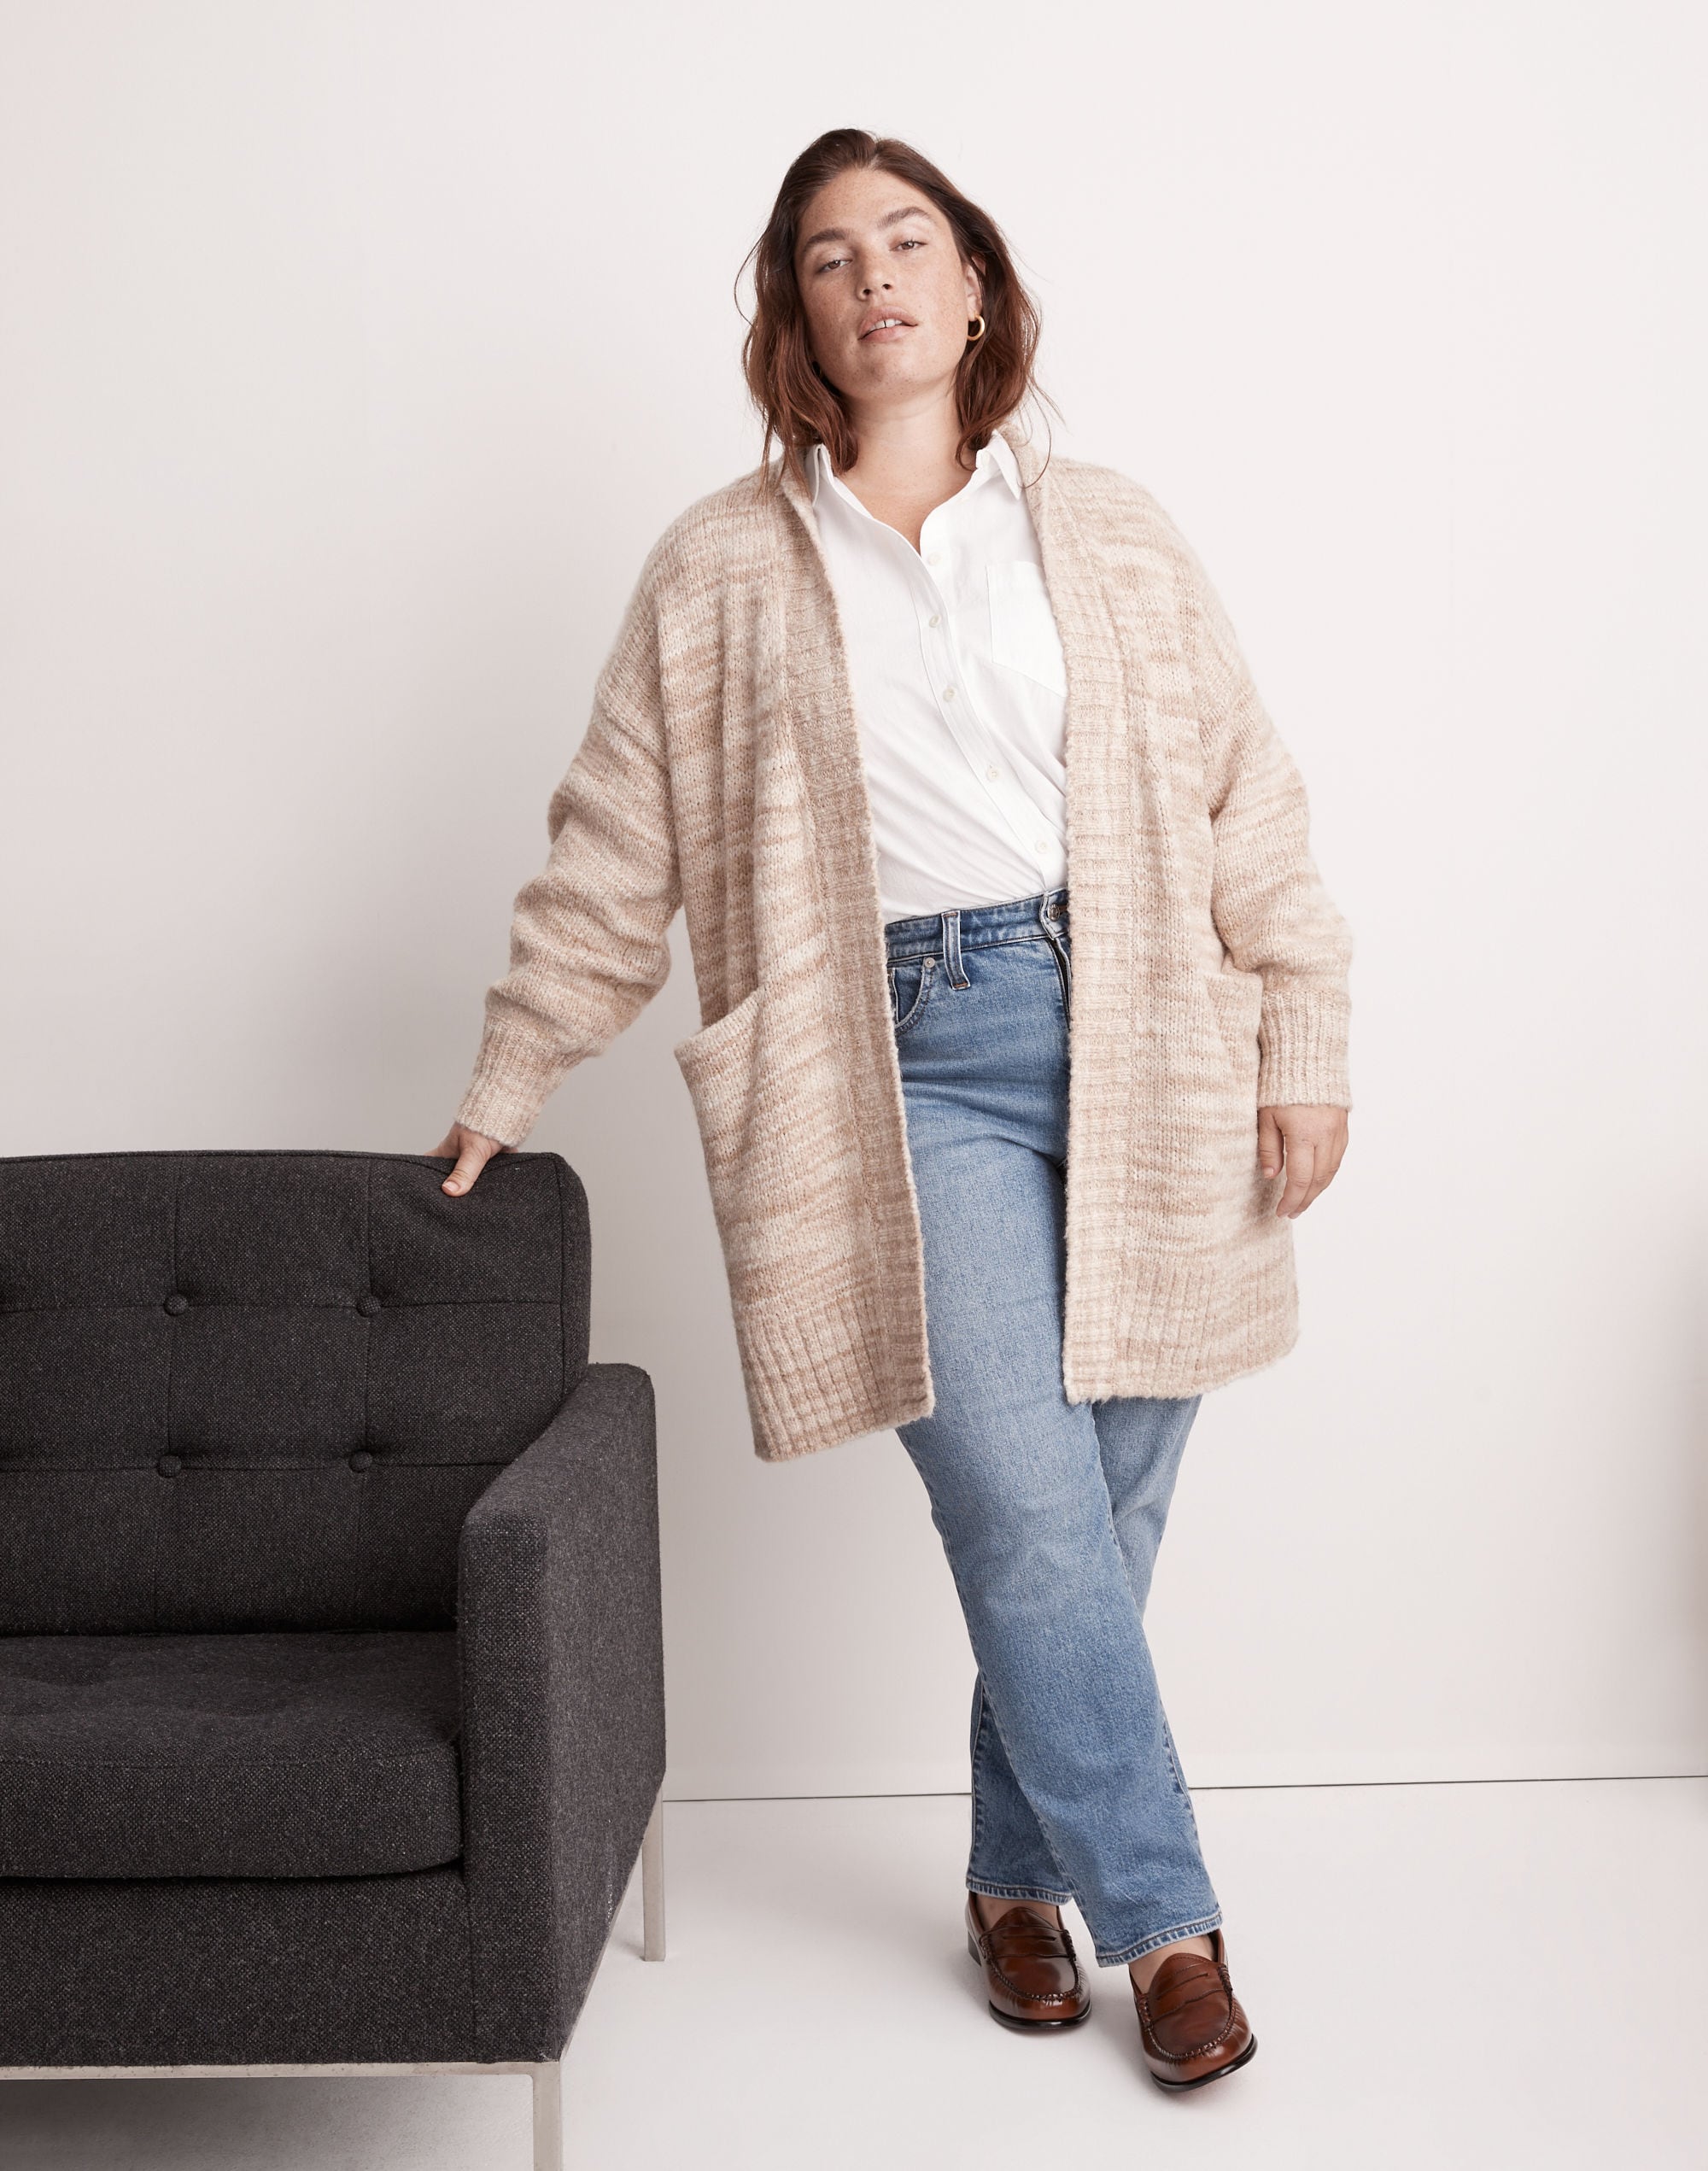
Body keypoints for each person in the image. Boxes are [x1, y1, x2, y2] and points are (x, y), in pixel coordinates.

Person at [430, 128, 1353, 2093]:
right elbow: (617, 843)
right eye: (831, 257)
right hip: (898, 1056)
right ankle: (1168, 1925)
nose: (876, 280)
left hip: (1148, 1037)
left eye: (908, 240)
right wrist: (513, 1068)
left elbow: (1246, 793)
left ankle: (1017, 1880)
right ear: (798, 313)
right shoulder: (718, 567)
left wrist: (1304, 1038)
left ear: (976, 282)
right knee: (1023, 1501)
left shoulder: (1108, 529)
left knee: (1103, 1508)